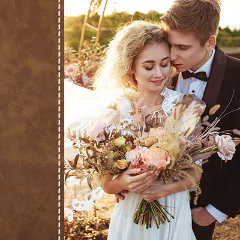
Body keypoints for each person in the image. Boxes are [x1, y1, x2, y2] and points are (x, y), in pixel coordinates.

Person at [98, 20, 202, 240]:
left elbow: (196, 172)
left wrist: (166, 189)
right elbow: (104, 181)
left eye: (164, 64)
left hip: (174, 212)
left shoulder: (185, 107)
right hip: (131, 214)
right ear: (131, 69)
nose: (159, 73)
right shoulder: (117, 110)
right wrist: (122, 182)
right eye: (148, 66)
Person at [159, 0, 240, 239]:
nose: (172, 57)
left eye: (182, 48)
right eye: (169, 45)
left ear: (210, 42)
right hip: (150, 202)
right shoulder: (158, 69)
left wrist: (216, 212)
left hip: (199, 212)